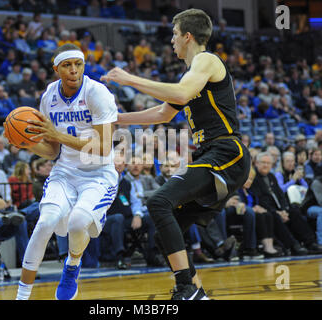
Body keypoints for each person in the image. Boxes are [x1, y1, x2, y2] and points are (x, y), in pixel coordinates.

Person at [101, 8, 251, 300]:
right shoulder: (191, 75)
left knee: (158, 201)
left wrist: (129, 79)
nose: (171, 41)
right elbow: (162, 113)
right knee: (163, 235)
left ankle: (185, 288)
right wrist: (117, 119)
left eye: (174, 34)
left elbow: (180, 95)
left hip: (226, 152)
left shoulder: (206, 60)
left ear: (188, 36)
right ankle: (197, 293)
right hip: (210, 156)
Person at [13, 43, 118, 300]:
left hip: (98, 174)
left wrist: (57, 135)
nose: (73, 70)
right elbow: (51, 150)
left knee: (78, 222)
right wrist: (24, 142)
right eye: (67, 65)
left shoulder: (97, 93)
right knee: (45, 221)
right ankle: (22, 295)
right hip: (65, 171)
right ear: (56, 69)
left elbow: (103, 147)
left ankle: (72, 265)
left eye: (78, 64)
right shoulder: (49, 96)